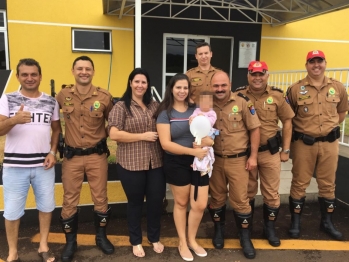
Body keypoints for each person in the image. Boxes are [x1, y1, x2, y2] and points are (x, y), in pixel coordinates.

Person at [0, 58, 61, 262]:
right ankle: (13, 253)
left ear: (40, 76)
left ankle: (43, 246)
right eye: (24, 74)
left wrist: (53, 151)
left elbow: (56, 129)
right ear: (18, 76)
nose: (29, 78)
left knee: (46, 207)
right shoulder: (7, 99)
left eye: (33, 74)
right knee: (12, 212)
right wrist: (14, 120)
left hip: (43, 165)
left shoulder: (51, 101)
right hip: (15, 166)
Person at [56, 56, 114, 262]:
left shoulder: (104, 97)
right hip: (72, 158)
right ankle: (71, 243)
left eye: (87, 69)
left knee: (101, 198)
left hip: (96, 156)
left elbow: (113, 122)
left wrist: (105, 135)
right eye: (79, 68)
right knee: (69, 200)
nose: (84, 72)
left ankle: (101, 237)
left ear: (93, 71)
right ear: (73, 71)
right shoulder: (62, 95)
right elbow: (53, 122)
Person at [286, 50, 349, 240]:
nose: (316, 65)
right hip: (304, 143)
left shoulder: (337, 87)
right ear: (306, 65)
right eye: (312, 62)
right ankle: (295, 223)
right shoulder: (295, 89)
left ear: (325, 63)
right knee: (299, 183)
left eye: (319, 61)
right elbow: (289, 117)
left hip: (329, 143)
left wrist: (326, 129)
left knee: (328, 184)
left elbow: (342, 112)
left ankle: (326, 222)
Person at [235, 61, 294, 247]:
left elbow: (287, 122)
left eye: (261, 74)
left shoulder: (277, 95)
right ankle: (247, 228)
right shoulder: (239, 95)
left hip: (270, 152)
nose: (257, 78)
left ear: (267, 75)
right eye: (254, 74)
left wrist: (285, 150)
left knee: (271, 193)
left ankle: (269, 229)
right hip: (246, 153)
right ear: (248, 76)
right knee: (247, 192)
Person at [108, 68, 166, 258]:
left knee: (155, 202)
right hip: (131, 164)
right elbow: (114, 133)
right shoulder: (121, 106)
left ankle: (154, 237)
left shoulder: (155, 105)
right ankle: (135, 240)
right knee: (135, 203)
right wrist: (142, 136)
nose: (140, 85)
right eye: (137, 81)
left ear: (148, 85)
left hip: (155, 163)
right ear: (130, 83)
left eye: (144, 82)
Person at [207, 71, 260, 259]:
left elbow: (254, 129)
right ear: (211, 86)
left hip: (238, 160)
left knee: (240, 200)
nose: (219, 89)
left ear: (229, 84)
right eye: (216, 86)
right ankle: (218, 231)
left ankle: (245, 238)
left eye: (223, 85)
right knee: (217, 198)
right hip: (214, 160)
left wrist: (253, 157)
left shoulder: (243, 102)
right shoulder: (206, 104)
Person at [156, 73, 209, 261]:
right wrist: (191, 152)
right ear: (171, 89)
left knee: (200, 204)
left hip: (200, 161)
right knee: (181, 203)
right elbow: (165, 144)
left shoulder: (196, 110)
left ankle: (192, 240)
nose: (182, 91)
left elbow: (209, 130)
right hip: (177, 162)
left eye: (185, 87)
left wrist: (207, 141)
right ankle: (182, 242)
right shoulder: (165, 113)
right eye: (178, 87)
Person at [189, 91, 217, 177]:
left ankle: (207, 166)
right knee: (197, 148)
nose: (205, 104)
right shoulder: (197, 110)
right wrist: (191, 119)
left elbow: (211, 122)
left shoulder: (212, 113)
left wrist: (202, 117)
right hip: (198, 134)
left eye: (207, 102)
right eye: (203, 102)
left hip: (208, 134)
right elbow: (192, 118)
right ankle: (196, 164)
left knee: (206, 150)